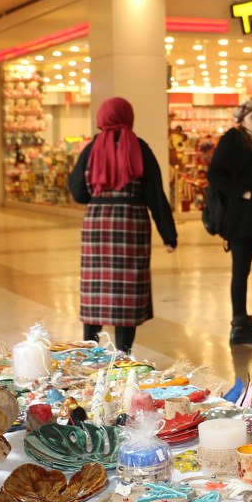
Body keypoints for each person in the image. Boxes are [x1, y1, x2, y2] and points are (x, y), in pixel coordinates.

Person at [70, 97, 177, 354]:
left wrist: (98, 197)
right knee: (126, 293)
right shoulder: (140, 147)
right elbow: (155, 195)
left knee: (95, 290)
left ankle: (91, 351)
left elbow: (77, 191)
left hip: (97, 225)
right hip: (131, 223)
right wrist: (168, 235)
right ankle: (123, 355)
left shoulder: (91, 149)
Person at [206, 98, 252, 345]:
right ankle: (238, 325)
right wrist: (240, 192)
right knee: (240, 271)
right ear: (242, 120)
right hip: (239, 218)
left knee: (243, 270)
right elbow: (214, 173)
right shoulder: (233, 139)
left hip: (251, 217)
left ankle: (242, 320)